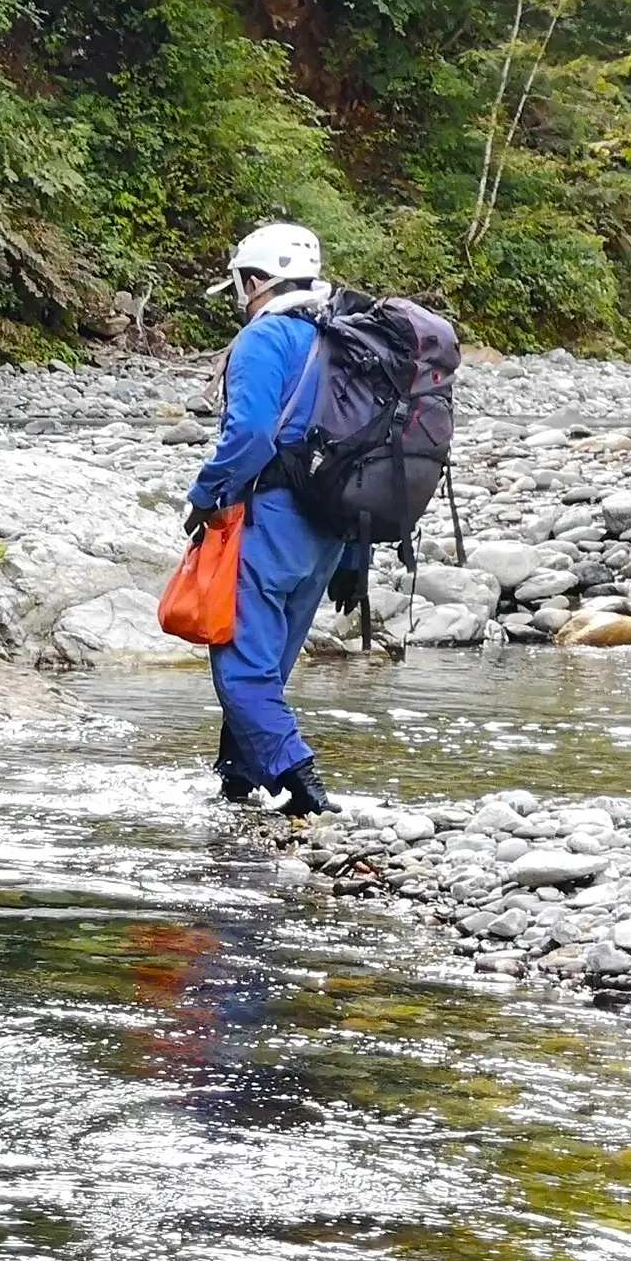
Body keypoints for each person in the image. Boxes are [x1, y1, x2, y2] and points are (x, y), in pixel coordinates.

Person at [186, 221, 369, 818]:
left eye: (241, 283)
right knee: (267, 668)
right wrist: (355, 554)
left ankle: (303, 785)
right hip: (329, 530)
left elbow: (251, 433)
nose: (241, 296)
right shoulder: (340, 337)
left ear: (257, 280)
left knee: (240, 668)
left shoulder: (266, 340)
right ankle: (237, 785)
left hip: (272, 523)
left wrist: (207, 494)